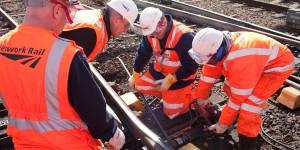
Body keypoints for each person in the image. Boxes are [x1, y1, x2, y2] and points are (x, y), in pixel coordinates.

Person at [0, 0, 125, 149]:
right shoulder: (67, 55)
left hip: (24, 144)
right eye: (68, 14)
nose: (67, 22)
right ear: (57, 11)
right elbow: (93, 109)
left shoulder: (3, 45)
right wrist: (112, 133)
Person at [189, 27, 295, 149]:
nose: (206, 62)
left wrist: (222, 124)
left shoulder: (239, 58)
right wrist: (201, 97)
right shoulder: (219, 44)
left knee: (249, 107)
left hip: (276, 67)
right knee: (229, 87)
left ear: (218, 53)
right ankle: (235, 116)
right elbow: (209, 72)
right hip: (256, 60)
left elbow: (237, 99)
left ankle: (247, 142)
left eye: (207, 59)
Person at [128, 7, 199, 119]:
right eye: (151, 34)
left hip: (180, 79)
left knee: (171, 114)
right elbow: (143, 53)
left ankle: (194, 96)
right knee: (139, 85)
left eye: (156, 33)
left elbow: (192, 66)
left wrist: (171, 80)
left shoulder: (184, 36)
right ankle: (169, 96)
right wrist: (135, 73)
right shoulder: (151, 33)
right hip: (160, 73)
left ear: (163, 22)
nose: (154, 36)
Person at [60, 0, 138, 61]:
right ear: (116, 20)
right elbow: (70, 68)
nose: (125, 31)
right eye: (126, 25)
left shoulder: (100, 21)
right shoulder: (91, 32)